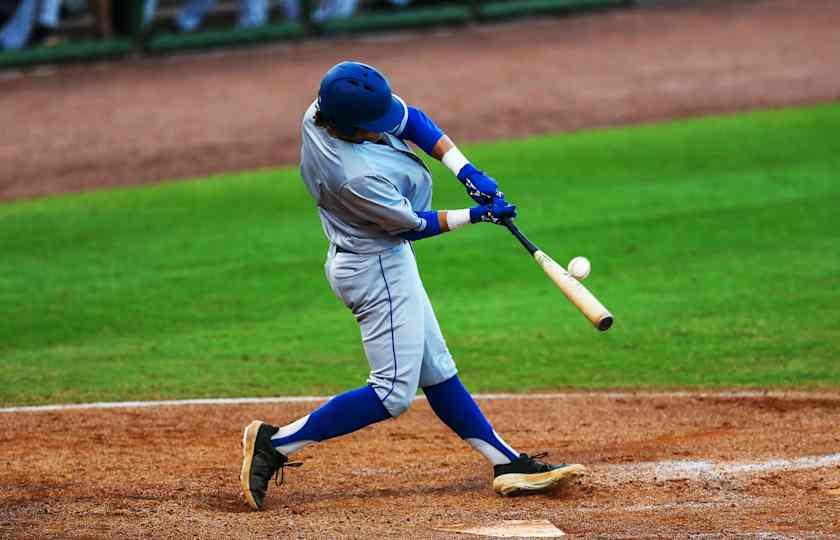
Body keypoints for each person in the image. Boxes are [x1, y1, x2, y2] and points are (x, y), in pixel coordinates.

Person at [239, 61, 585, 511]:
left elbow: (413, 121)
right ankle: (275, 443)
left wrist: (466, 171)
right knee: (391, 393)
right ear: (350, 126)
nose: (384, 127)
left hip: (384, 260)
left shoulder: (324, 109)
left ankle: (505, 462)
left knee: (435, 368)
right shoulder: (353, 175)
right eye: (373, 124)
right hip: (374, 268)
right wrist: (476, 215)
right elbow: (412, 226)